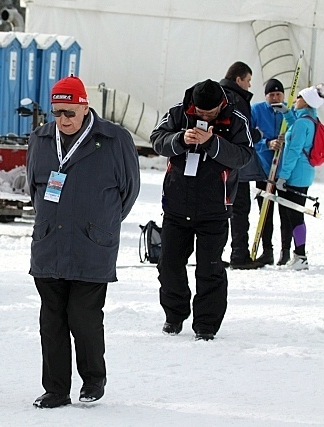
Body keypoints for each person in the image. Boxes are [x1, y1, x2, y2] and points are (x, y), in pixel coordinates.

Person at [27, 76, 140, 408]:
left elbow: (128, 191)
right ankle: (56, 389)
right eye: (57, 112)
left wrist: (101, 223)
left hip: (92, 245)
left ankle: (93, 380)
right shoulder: (41, 138)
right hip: (49, 244)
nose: (63, 120)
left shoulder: (114, 139)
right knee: (52, 321)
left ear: (84, 106)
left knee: (84, 318)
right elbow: (34, 188)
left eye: (69, 113)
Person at [150, 79, 253, 341]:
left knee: (210, 269)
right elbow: (157, 140)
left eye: (210, 113)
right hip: (176, 206)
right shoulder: (177, 112)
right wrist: (180, 139)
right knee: (169, 265)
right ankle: (174, 316)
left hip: (215, 210)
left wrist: (212, 142)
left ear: (221, 105)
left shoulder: (237, 119)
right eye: (200, 113)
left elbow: (244, 156)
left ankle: (206, 325)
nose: (204, 117)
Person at [272, 83, 324, 270]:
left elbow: (293, 151)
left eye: (299, 97)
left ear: (307, 101)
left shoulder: (303, 123)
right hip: (304, 174)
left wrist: (283, 176)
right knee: (293, 214)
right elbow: (295, 122)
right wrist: (286, 112)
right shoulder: (310, 119)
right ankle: (298, 254)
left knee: (294, 215)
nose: (296, 100)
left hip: (295, 175)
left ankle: (301, 255)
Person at [220, 62, 266, 269]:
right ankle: (239, 254)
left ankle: (213, 254)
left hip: (218, 163)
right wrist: (256, 134)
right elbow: (241, 131)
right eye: (248, 81)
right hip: (235, 164)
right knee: (239, 210)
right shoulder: (237, 99)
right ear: (238, 79)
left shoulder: (219, 95)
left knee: (219, 210)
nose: (249, 86)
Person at [251, 78, 286, 265]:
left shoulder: (289, 112)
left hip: (285, 171)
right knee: (265, 213)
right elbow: (248, 135)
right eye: (271, 95)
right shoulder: (256, 110)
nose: (274, 98)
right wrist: (266, 143)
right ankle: (267, 250)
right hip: (263, 170)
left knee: (287, 214)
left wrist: (286, 141)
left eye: (277, 94)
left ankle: (287, 251)